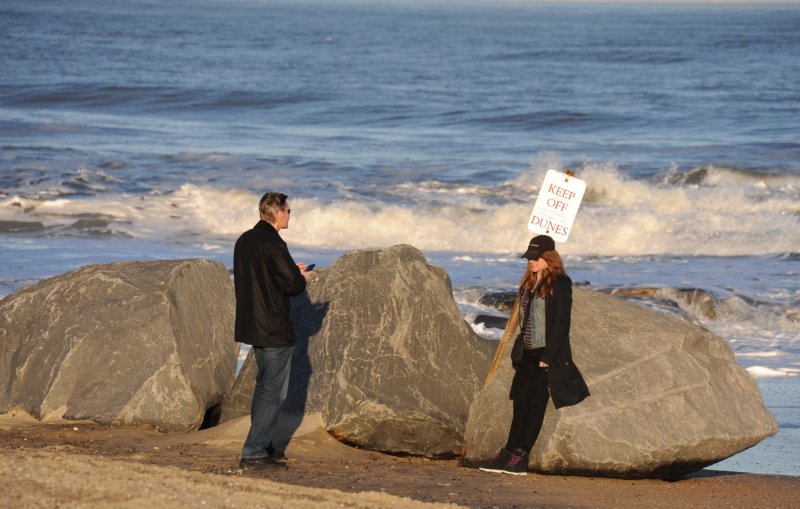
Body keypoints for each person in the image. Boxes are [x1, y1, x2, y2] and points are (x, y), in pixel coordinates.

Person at [480, 234, 589, 476]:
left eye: (535, 258)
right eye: (529, 258)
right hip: (527, 352)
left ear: (549, 258)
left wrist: (548, 356)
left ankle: (521, 456)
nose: (531, 262)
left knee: (535, 405)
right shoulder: (529, 283)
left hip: (545, 353)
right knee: (520, 402)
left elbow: (562, 322)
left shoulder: (560, 284)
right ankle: (509, 451)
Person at [233, 191, 313, 470]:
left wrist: (291, 270)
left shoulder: (245, 240)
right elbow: (291, 286)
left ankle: (263, 445)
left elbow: (264, 275)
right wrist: (301, 277)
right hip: (273, 325)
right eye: (288, 210)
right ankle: (254, 451)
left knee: (265, 387)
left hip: (253, 324)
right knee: (273, 391)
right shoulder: (273, 242)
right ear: (277, 213)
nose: (290, 214)